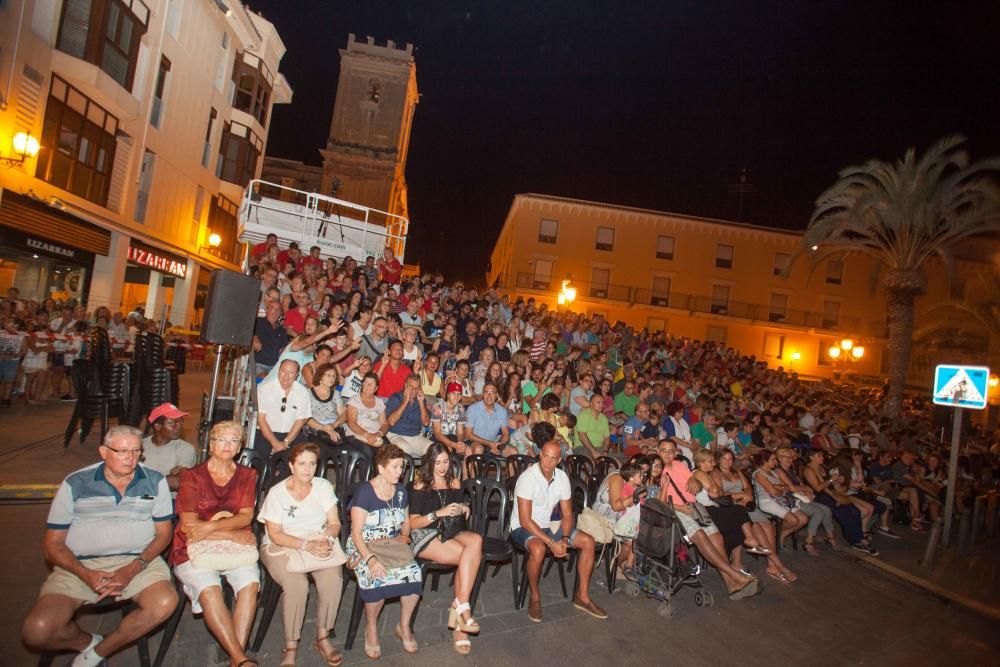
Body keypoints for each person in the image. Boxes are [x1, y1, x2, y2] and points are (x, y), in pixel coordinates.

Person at [21, 426, 178, 667]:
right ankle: (87, 642)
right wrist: (85, 574)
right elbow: (52, 545)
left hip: (137, 561)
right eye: (122, 451)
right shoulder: (76, 483)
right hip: (80, 563)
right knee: (37, 631)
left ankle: (97, 653)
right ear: (104, 452)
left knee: (164, 603)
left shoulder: (154, 481)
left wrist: (133, 569)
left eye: (136, 451)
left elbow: (163, 535)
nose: (130, 458)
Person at [173, 420, 260, 667]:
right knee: (210, 589)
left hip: (234, 547)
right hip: (193, 546)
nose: (227, 445)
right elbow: (189, 525)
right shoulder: (192, 477)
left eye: (234, 440)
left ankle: (236, 659)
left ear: (240, 446)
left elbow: (245, 516)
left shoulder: (247, 475)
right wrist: (229, 533)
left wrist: (209, 526)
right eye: (221, 439)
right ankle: (241, 659)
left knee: (250, 585)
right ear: (211, 444)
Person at [510, 423, 607, 624]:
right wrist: (551, 543)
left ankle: (583, 596)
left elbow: (568, 513)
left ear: (559, 460)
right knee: (537, 549)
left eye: (553, 458)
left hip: (551, 525)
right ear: (540, 454)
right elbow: (526, 520)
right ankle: (535, 597)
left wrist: (563, 538)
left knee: (587, 541)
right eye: (545, 456)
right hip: (522, 526)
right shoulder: (528, 478)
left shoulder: (562, 477)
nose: (547, 461)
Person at [258, 443, 344, 667]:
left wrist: (328, 540)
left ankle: (323, 636)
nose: (308, 469)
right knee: (297, 586)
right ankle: (291, 644)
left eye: (312, 464)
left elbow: (334, 523)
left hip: (315, 539)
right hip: (282, 544)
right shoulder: (278, 493)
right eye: (302, 464)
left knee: (333, 577)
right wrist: (305, 545)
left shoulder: (323, 486)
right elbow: (275, 534)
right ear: (291, 465)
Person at [654, 439, 759, 600]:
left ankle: (731, 584)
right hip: (675, 510)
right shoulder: (655, 469)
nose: (667, 454)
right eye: (663, 450)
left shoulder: (680, 465)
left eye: (671, 451)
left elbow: (697, 483)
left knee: (717, 538)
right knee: (701, 536)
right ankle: (735, 575)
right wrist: (680, 508)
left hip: (695, 507)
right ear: (657, 451)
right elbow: (656, 502)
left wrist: (692, 480)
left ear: (676, 453)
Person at [346, 444, 422, 659]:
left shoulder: (400, 492)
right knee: (377, 576)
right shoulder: (365, 493)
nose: (400, 472)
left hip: (391, 545)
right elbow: (356, 534)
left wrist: (404, 536)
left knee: (413, 572)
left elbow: (405, 522)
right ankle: (371, 628)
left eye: (402, 467)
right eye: (395, 467)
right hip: (365, 547)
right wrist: (370, 560)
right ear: (380, 468)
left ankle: (403, 626)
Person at [407, 444, 484, 655]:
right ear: (429, 462)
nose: (442, 467)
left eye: (445, 462)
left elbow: (456, 513)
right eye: (437, 462)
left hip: (450, 530)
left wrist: (462, 508)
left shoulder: (454, 481)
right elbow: (413, 523)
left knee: (476, 541)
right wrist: (437, 513)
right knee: (467, 557)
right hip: (424, 534)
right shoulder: (421, 484)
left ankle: (459, 603)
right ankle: (461, 620)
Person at [803, 449, 879, 556]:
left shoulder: (823, 466)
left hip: (831, 494)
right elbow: (818, 488)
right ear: (811, 457)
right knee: (844, 512)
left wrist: (838, 481)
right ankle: (856, 540)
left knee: (855, 510)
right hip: (818, 496)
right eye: (819, 456)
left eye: (822, 456)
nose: (822, 458)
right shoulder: (809, 470)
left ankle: (859, 537)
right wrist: (830, 480)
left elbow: (831, 485)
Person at [773, 447, 835, 555]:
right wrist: (805, 489)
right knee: (818, 512)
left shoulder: (791, 470)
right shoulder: (778, 470)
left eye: (791, 457)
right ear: (779, 458)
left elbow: (801, 485)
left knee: (826, 509)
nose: (789, 459)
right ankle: (808, 542)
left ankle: (830, 537)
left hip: (798, 497)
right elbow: (792, 488)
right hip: (789, 499)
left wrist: (807, 491)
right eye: (786, 457)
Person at [592, 460, 645, 574]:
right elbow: (616, 507)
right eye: (640, 473)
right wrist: (636, 495)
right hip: (604, 517)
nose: (643, 476)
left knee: (640, 536)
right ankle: (609, 567)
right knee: (635, 542)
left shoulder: (629, 482)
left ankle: (616, 565)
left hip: (619, 516)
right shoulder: (617, 478)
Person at [256, 360, 312, 457]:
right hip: (267, 434)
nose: (286, 376)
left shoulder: (302, 392)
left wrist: (286, 442)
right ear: (278, 371)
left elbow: (301, 420)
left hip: (292, 435)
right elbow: (261, 419)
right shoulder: (264, 389)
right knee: (262, 459)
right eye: (283, 371)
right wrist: (275, 443)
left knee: (304, 455)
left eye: (291, 373)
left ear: (297, 375)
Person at [142, 403, 197, 492]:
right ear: (158, 426)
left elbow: (178, 483)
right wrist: (167, 478)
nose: (179, 427)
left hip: (170, 500)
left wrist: (141, 481)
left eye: (181, 422)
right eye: (172, 424)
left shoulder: (186, 449)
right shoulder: (139, 446)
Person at [385, 375, 434, 457]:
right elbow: (391, 422)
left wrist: (421, 403)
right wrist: (405, 401)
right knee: (404, 448)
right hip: (395, 435)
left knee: (433, 449)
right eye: (411, 387)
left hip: (414, 436)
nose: (414, 391)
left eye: (417, 388)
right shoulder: (396, 397)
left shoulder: (421, 400)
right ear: (405, 385)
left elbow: (426, 423)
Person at [344, 372, 390, 452]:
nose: (368, 385)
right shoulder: (354, 400)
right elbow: (352, 423)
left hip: (376, 435)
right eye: (366, 383)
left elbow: (385, 424)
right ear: (362, 385)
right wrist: (368, 435)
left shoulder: (380, 402)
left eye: (371, 384)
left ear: (376, 388)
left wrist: (378, 434)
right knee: (368, 452)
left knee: (389, 452)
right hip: (357, 435)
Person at [464, 381, 512, 455]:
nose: (489, 395)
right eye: (486, 392)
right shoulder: (472, 409)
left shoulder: (502, 411)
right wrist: (489, 443)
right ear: (482, 395)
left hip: (493, 442)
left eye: (492, 392)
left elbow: (506, 433)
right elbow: (468, 434)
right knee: (478, 448)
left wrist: (499, 446)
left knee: (513, 451)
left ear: (496, 396)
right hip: (474, 441)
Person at [305, 362, 346, 443]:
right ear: (320, 377)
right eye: (329, 375)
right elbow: (306, 418)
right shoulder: (308, 393)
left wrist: (333, 425)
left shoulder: (336, 393)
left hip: (334, 426)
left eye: (334, 376)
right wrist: (324, 428)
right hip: (315, 428)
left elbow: (343, 415)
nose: (332, 378)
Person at [431, 382, 470, 457]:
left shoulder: (461, 409)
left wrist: (460, 444)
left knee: (468, 450)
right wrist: (453, 445)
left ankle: (465, 469)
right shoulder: (438, 408)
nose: (456, 397)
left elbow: (461, 433)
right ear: (448, 395)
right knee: (448, 448)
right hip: (438, 438)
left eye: (459, 394)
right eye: (453, 393)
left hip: (453, 437)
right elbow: (437, 434)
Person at [252, 301, 289, 377]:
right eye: (273, 308)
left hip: (275, 366)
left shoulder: (281, 330)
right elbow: (248, 336)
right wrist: (252, 339)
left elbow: (283, 348)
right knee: (266, 378)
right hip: (258, 364)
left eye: (278, 309)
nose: (276, 311)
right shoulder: (257, 322)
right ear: (266, 309)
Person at [574, 393, 612, 458]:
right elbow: (582, 436)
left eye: (602, 402)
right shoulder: (583, 416)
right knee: (592, 464)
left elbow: (607, 437)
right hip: (583, 447)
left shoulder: (604, 418)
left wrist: (605, 450)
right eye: (598, 402)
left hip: (599, 448)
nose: (601, 404)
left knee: (617, 464)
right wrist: (593, 452)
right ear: (590, 403)